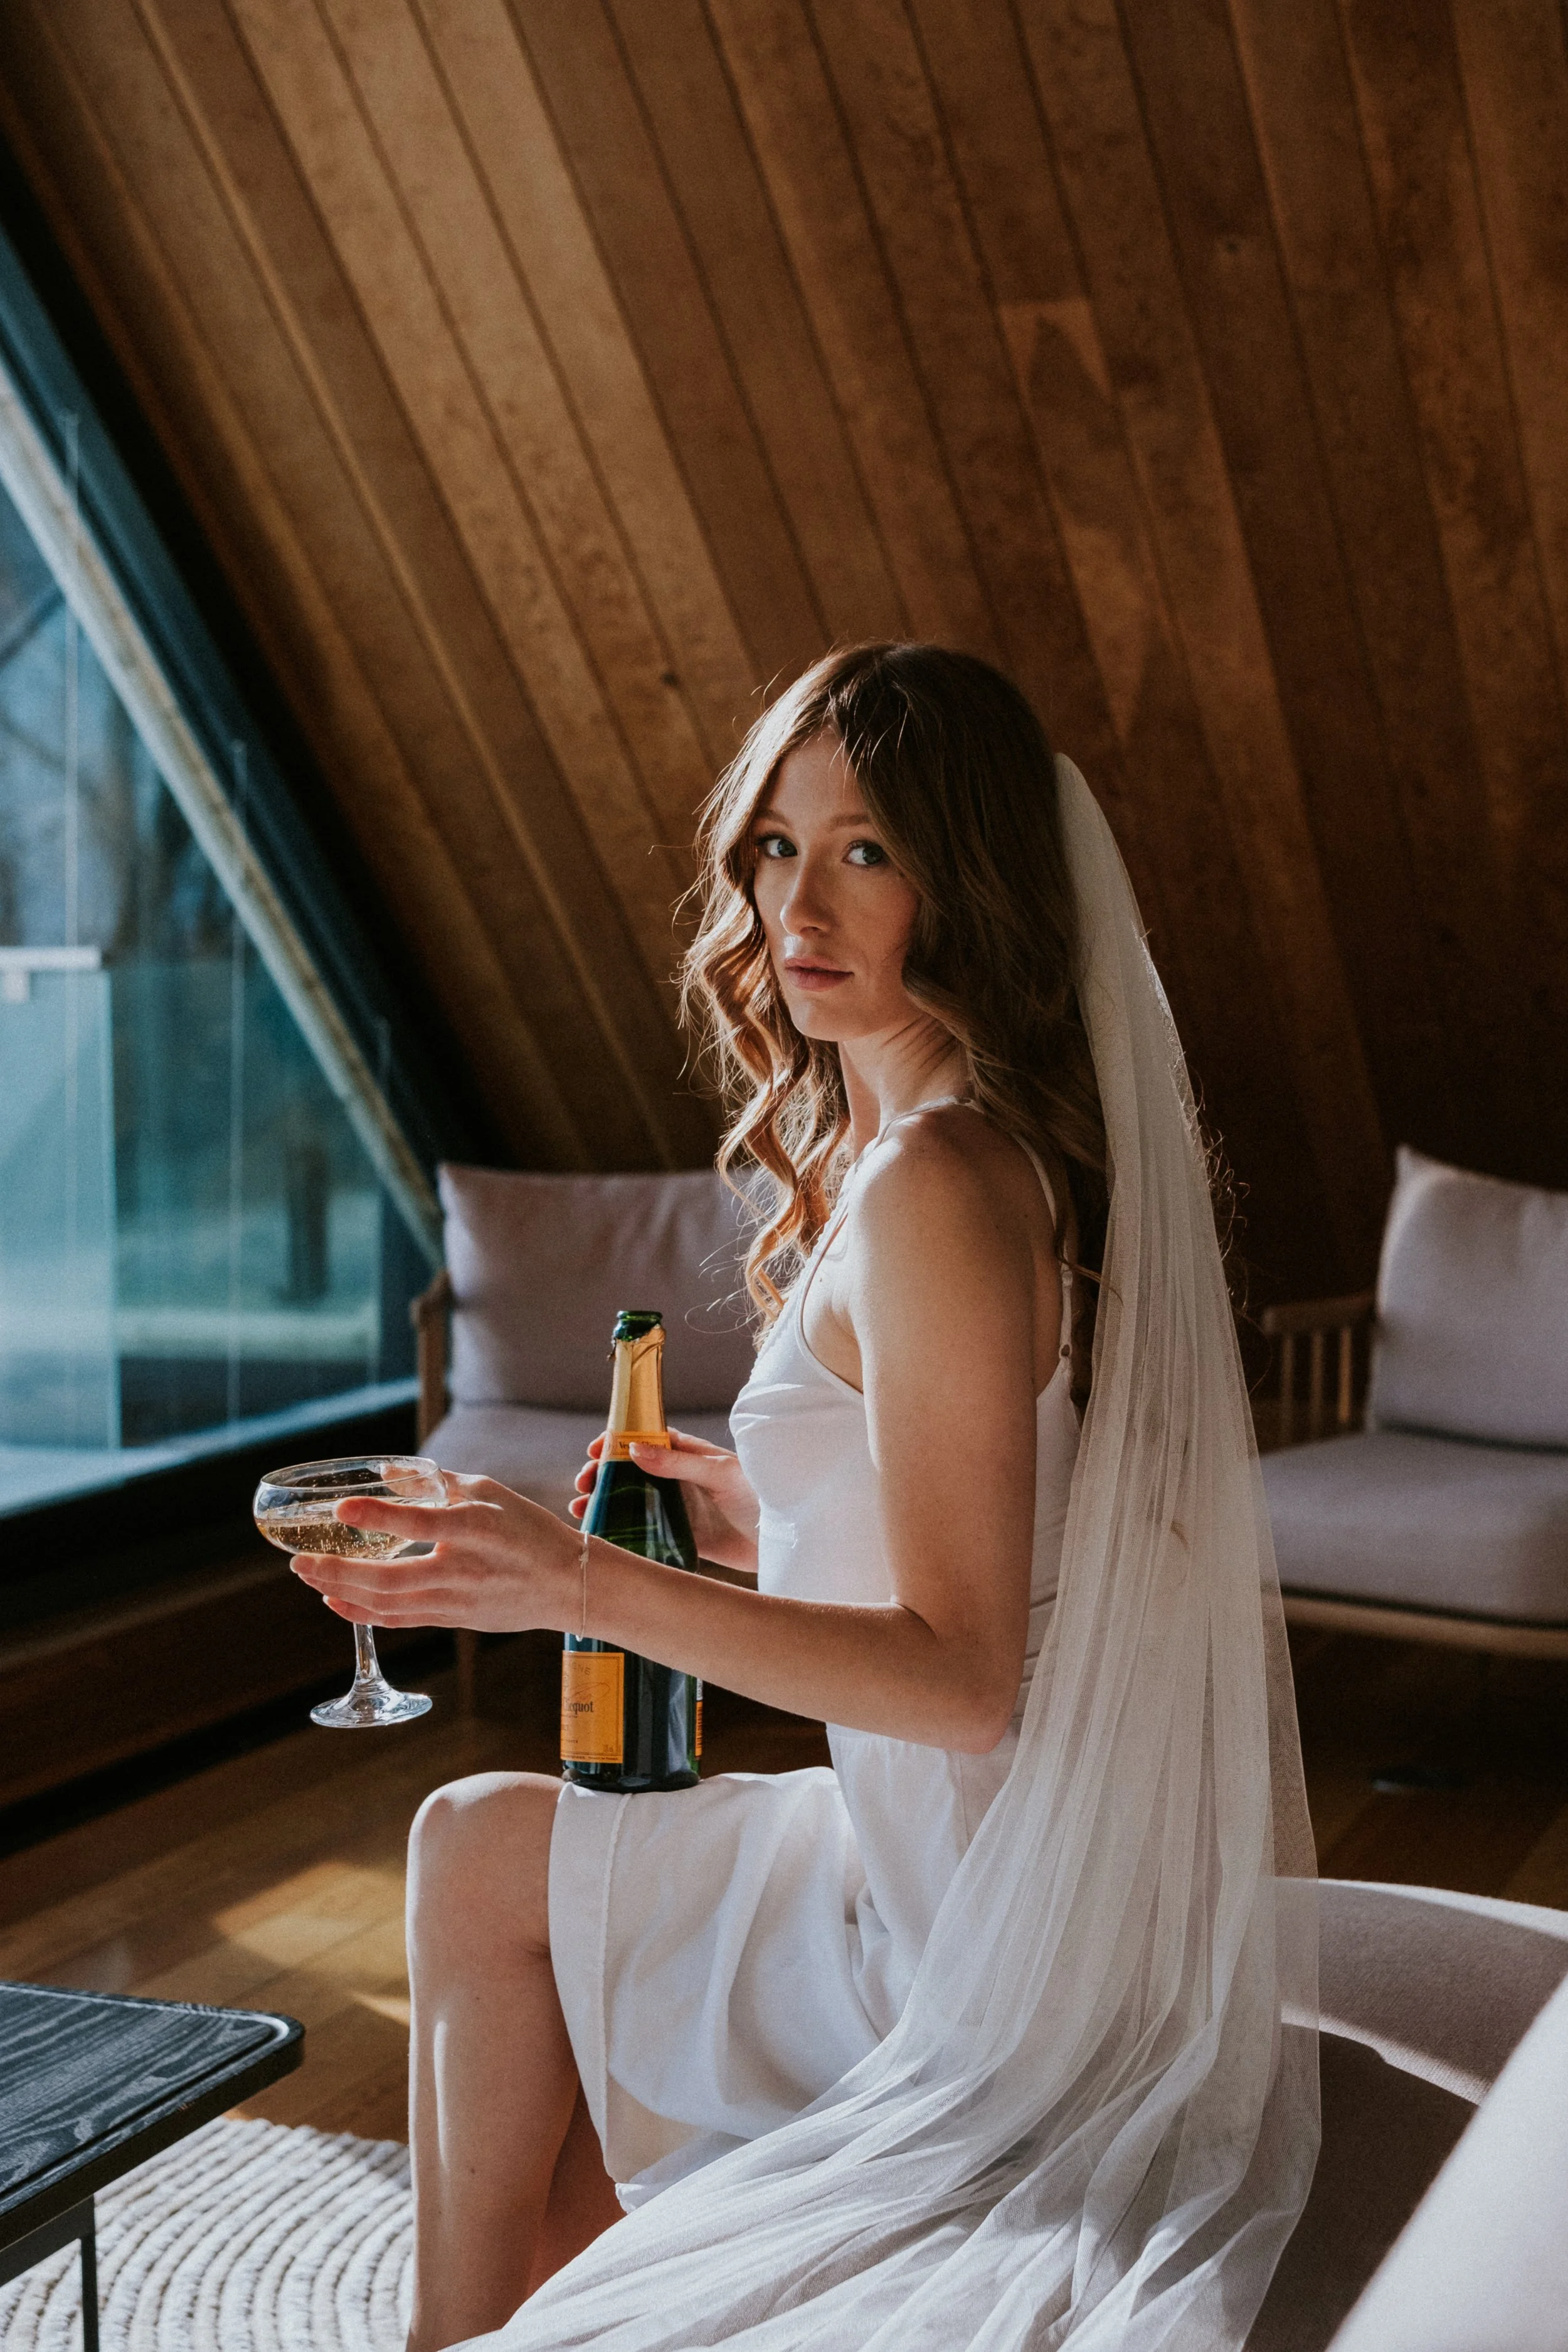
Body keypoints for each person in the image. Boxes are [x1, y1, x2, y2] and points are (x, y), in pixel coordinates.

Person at [292, 644, 1318, 2352]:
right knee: (481, 1855)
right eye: (775, 844)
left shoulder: (932, 1178)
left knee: (489, 1885)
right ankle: (496, 2314)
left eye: (867, 848)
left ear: (971, 880)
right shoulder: (960, 1142)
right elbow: (1016, 1544)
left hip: (983, 1934)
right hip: (981, 1850)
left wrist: (571, 1579)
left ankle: (479, 2325)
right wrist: (753, 1527)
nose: (798, 901)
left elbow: (966, 1676)